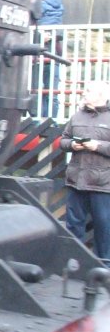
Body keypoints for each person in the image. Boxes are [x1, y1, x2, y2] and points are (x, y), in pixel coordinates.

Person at [60, 80, 110, 264]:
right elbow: (63, 141)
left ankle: (104, 267)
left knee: (104, 228)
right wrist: (72, 145)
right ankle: (74, 263)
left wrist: (98, 146)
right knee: (73, 226)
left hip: (103, 184)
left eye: (89, 90)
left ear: (102, 95)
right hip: (76, 181)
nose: (84, 93)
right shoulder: (77, 116)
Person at [36, 0, 64, 117]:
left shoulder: (38, 7)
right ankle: (51, 119)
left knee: (37, 90)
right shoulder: (57, 9)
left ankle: (38, 118)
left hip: (40, 56)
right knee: (51, 91)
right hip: (53, 55)